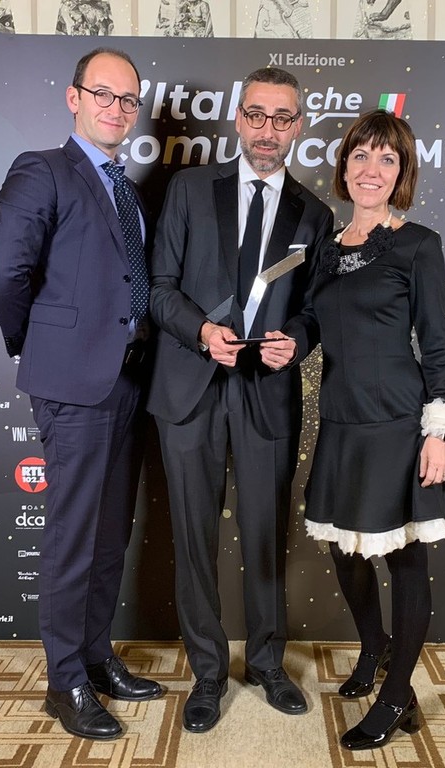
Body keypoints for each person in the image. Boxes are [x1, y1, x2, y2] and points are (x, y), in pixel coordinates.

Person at [0, 47, 163, 741]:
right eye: (104, 94)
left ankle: (95, 656)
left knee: (110, 532)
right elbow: (2, 277)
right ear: (74, 97)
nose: (117, 108)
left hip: (129, 380)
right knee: (73, 535)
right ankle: (65, 681)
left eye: (128, 99)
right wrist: (38, 343)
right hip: (73, 385)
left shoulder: (128, 189)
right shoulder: (42, 170)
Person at [148, 67, 333, 733]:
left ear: (298, 127)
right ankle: (206, 672)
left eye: (282, 118)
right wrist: (202, 332)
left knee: (265, 533)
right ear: (238, 118)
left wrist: (298, 342)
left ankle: (267, 663)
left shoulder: (314, 214)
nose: (267, 130)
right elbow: (159, 287)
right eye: (257, 115)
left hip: (266, 394)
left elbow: (314, 310)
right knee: (193, 536)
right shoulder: (191, 190)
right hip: (189, 389)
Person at [304, 109, 445, 750]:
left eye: (387, 159)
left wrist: (440, 433)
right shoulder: (324, 248)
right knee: (344, 551)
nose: (371, 169)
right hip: (340, 420)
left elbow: (437, 344)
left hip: (400, 423)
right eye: (360, 156)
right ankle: (374, 646)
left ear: (401, 174)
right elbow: (314, 324)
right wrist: (285, 343)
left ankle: (398, 695)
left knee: (404, 559)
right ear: (343, 166)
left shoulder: (418, 244)